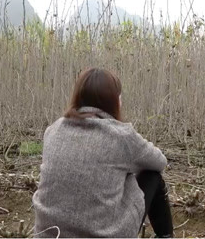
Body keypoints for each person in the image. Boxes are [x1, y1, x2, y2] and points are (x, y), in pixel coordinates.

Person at [32, 68, 173, 238]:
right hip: (104, 235)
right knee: (152, 174)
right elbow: (160, 161)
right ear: (115, 101)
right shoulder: (122, 136)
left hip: (48, 234)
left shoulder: (53, 130)